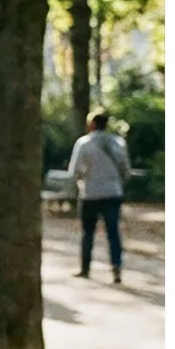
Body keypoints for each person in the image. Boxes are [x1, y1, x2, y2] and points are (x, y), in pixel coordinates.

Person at [67, 110, 131, 284]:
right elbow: (126, 169)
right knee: (113, 233)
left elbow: (74, 171)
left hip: (90, 193)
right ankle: (116, 268)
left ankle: (85, 268)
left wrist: (84, 178)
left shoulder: (83, 143)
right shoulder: (118, 142)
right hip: (113, 192)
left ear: (92, 124)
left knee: (88, 232)